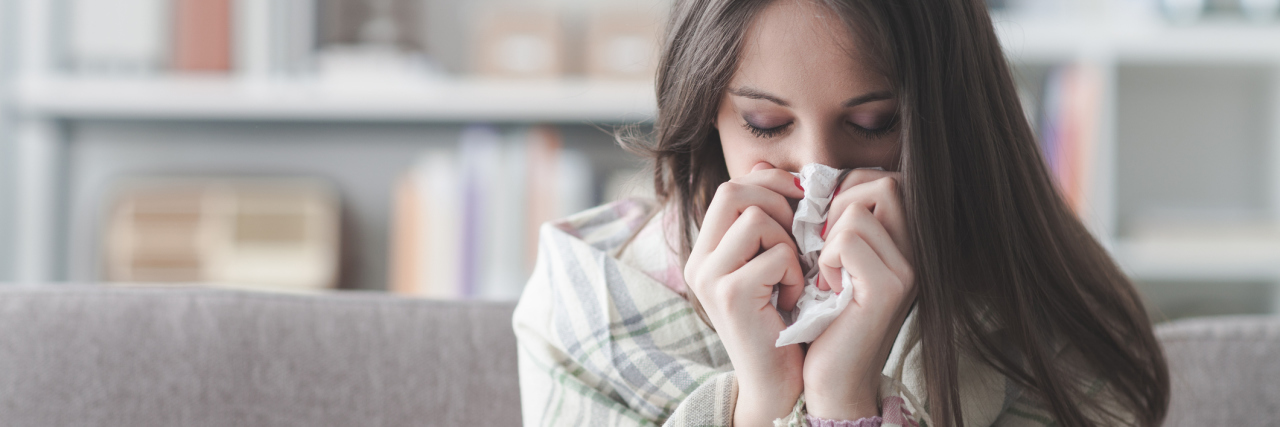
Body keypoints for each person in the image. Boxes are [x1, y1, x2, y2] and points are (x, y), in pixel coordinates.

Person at [513, 0, 1170, 426]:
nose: (816, 170)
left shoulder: (1042, 319)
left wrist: (844, 398)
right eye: (765, 124)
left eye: (873, 123)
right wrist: (761, 399)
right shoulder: (586, 303)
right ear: (707, 112)